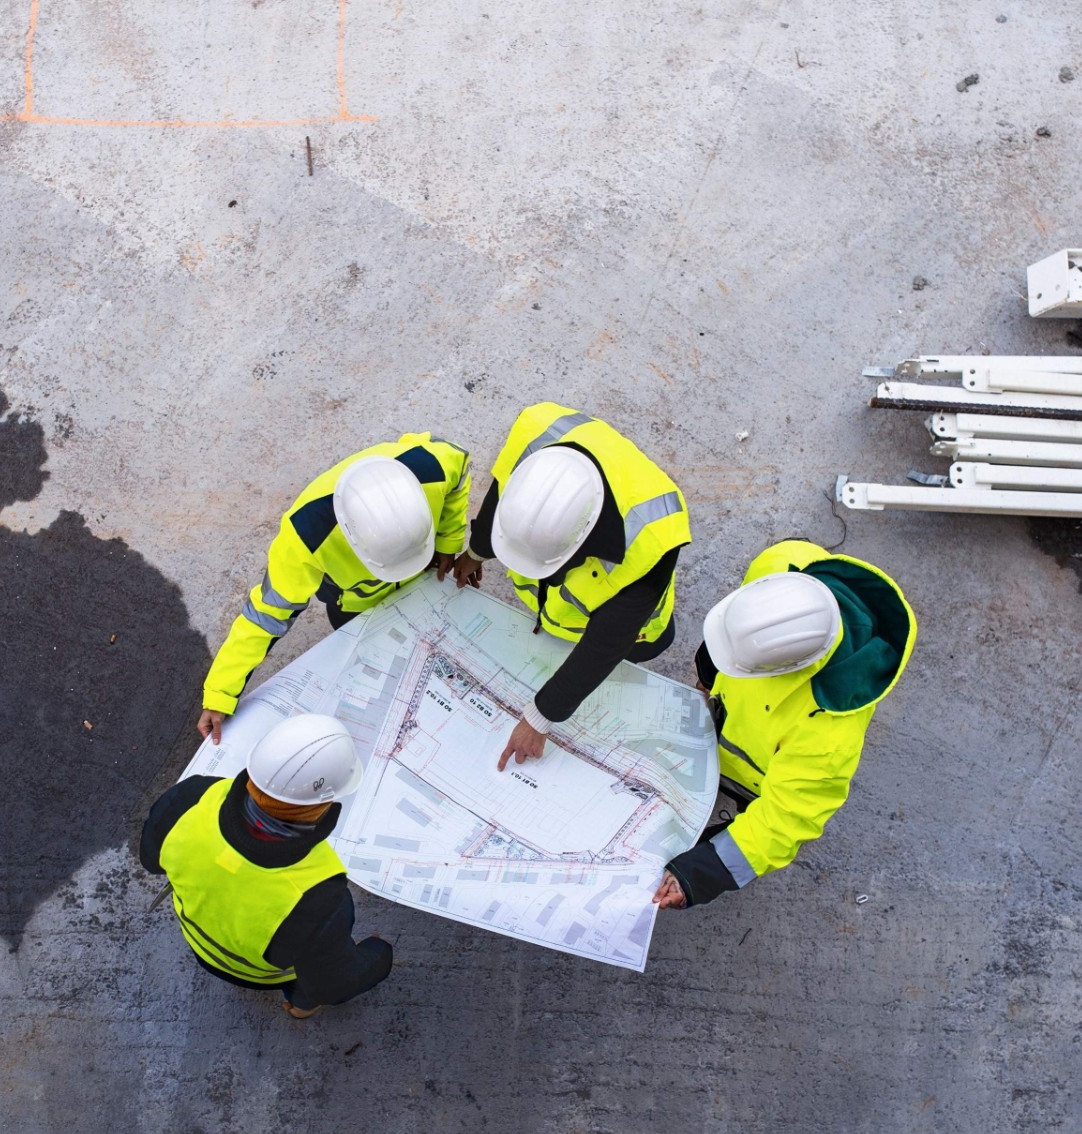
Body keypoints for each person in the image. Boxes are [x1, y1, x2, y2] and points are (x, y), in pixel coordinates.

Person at [652, 540, 916, 910]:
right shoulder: (780, 565)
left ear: (790, 669)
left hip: (753, 781)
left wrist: (701, 872)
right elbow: (730, 632)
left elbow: (786, 817)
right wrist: (708, 677)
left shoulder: (827, 737)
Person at [449, 403, 691, 770]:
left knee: (646, 645)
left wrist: (539, 718)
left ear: (586, 541)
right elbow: (502, 499)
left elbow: (608, 641)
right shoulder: (535, 435)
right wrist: (477, 552)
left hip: (635, 628)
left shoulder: (653, 534)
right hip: (558, 604)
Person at [198, 434, 472, 743]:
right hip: (353, 606)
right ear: (352, 539)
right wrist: (220, 693)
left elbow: (459, 471)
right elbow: (264, 618)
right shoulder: (305, 538)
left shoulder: (431, 468)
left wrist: (448, 544)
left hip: (421, 572)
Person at [140, 714, 393, 1018]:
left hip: (197, 942)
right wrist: (378, 956)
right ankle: (299, 1007)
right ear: (325, 803)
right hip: (261, 975)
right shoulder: (320, 897)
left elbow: (150, 859)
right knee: (307, 984)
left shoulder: (190, 799)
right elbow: (331, 985)